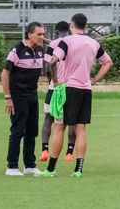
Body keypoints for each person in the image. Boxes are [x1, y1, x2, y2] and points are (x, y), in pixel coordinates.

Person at [37, 13, 113, 178]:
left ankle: (51, 170)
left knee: (58, 127)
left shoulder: (66, 41)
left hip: (67, 88)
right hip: (85, 89)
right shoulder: (94, 43)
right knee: (81, 129)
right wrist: (94, 80)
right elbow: (108, 62)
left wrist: (56, 81)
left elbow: (52, 61)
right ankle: (78, 170)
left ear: (72, 25)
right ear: (85, 25)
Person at [2, 21, 46, 176]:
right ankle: (12, 166)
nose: (42, 37)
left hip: (32, 95)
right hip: (17, 96)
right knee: (17, 131)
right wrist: (8, 97)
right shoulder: (17, 50)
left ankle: (29, 165)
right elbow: (5, 73)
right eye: (39, 34)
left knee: (32, 131)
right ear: (29, 34)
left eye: (43, 34)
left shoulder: (40, 50)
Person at [41, 21, 76, 162]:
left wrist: (53, 81)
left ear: (56, 31)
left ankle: (45, 150)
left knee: (48, 118)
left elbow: (48, 66)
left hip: (54, 88)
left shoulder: (53, 44)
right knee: (72, 121)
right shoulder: (75, 43)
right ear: (69, 29)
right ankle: (69, 152)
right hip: (72, 86)